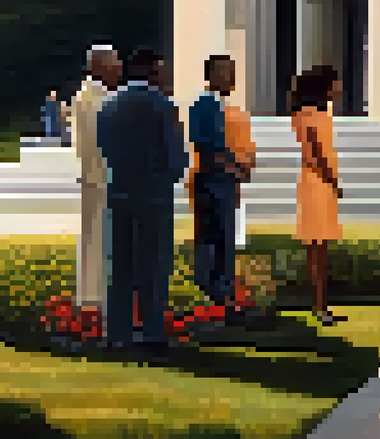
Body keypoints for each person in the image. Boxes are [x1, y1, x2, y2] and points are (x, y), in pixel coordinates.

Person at [96, 48, 187, 353]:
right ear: (151, 71)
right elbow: (175, 157)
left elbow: (103, 149)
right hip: (154, 195)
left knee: (120, 266)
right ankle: (151, 332)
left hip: (119, 192)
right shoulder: (163, 106)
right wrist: (167, 177)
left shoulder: (108, 106)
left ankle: (118, 333)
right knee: (154, 266)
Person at [188, 55, 256, 317]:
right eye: (227, 72)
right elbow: (206, 147)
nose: (233, 78)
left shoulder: (215, 105)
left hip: (219, 180)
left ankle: (220, 297)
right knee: (217, 240)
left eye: (233, 72)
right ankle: (219, 297)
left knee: (219, 241)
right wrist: (236, 169)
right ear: (212, 75)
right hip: (213, 182)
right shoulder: (205, 105)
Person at [290, 64, 347, 326]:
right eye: (335, 83)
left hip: (324, 185)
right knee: (316, 246)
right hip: (316, 184)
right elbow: (312, 155)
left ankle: (323, 304)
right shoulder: (306, 114)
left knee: (322, 248)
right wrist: (332, 179)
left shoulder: (324, 114)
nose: (339, 88)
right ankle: (319, 306)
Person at [71, 44, 123, 319]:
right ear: (99, 65)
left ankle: (98, 295)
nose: (119, 67)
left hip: (101, 176)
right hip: (101, 177)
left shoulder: (97, 95)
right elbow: (101, 141)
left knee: (102, 240)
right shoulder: (93, 98)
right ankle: (95, 298)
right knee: (98, 240)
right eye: (114, 62)